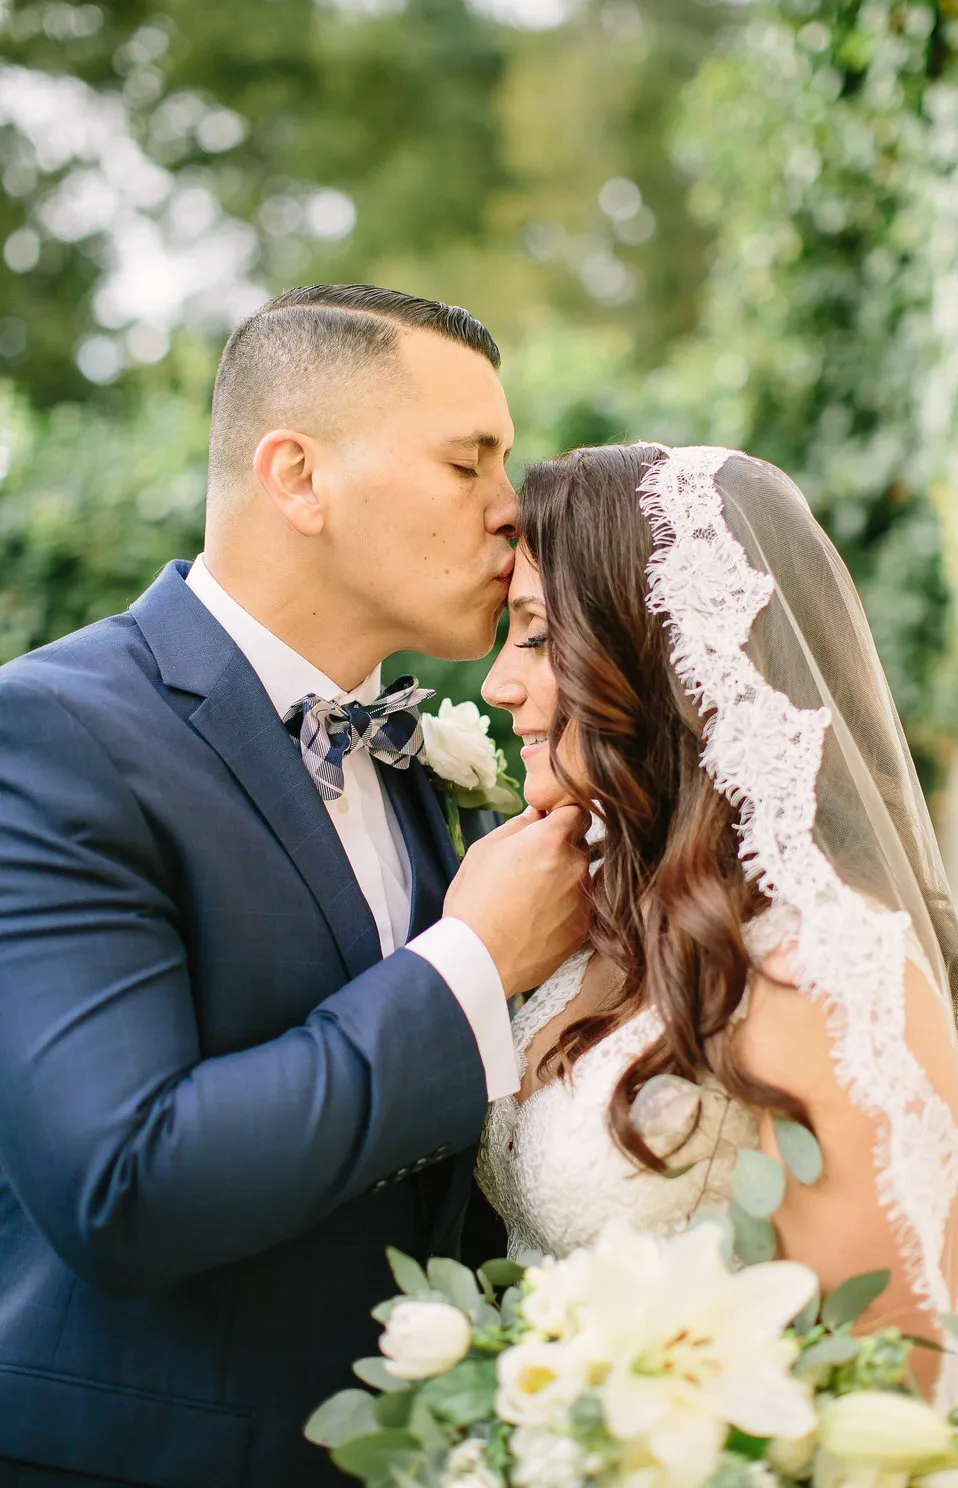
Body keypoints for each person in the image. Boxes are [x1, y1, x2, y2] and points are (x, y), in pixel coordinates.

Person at [0, 285, 589, 1488]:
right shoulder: (51, 734)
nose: (508, 509)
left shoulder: (425, 756)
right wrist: (470, 963)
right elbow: (124, 1183)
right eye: (467, 460)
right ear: (297, 476)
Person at [479, 442, 958, 1412]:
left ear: (656, 655)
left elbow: (877, 1398)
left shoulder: (827, 974)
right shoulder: (580, 924)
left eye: (538, 637)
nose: (496, 686)